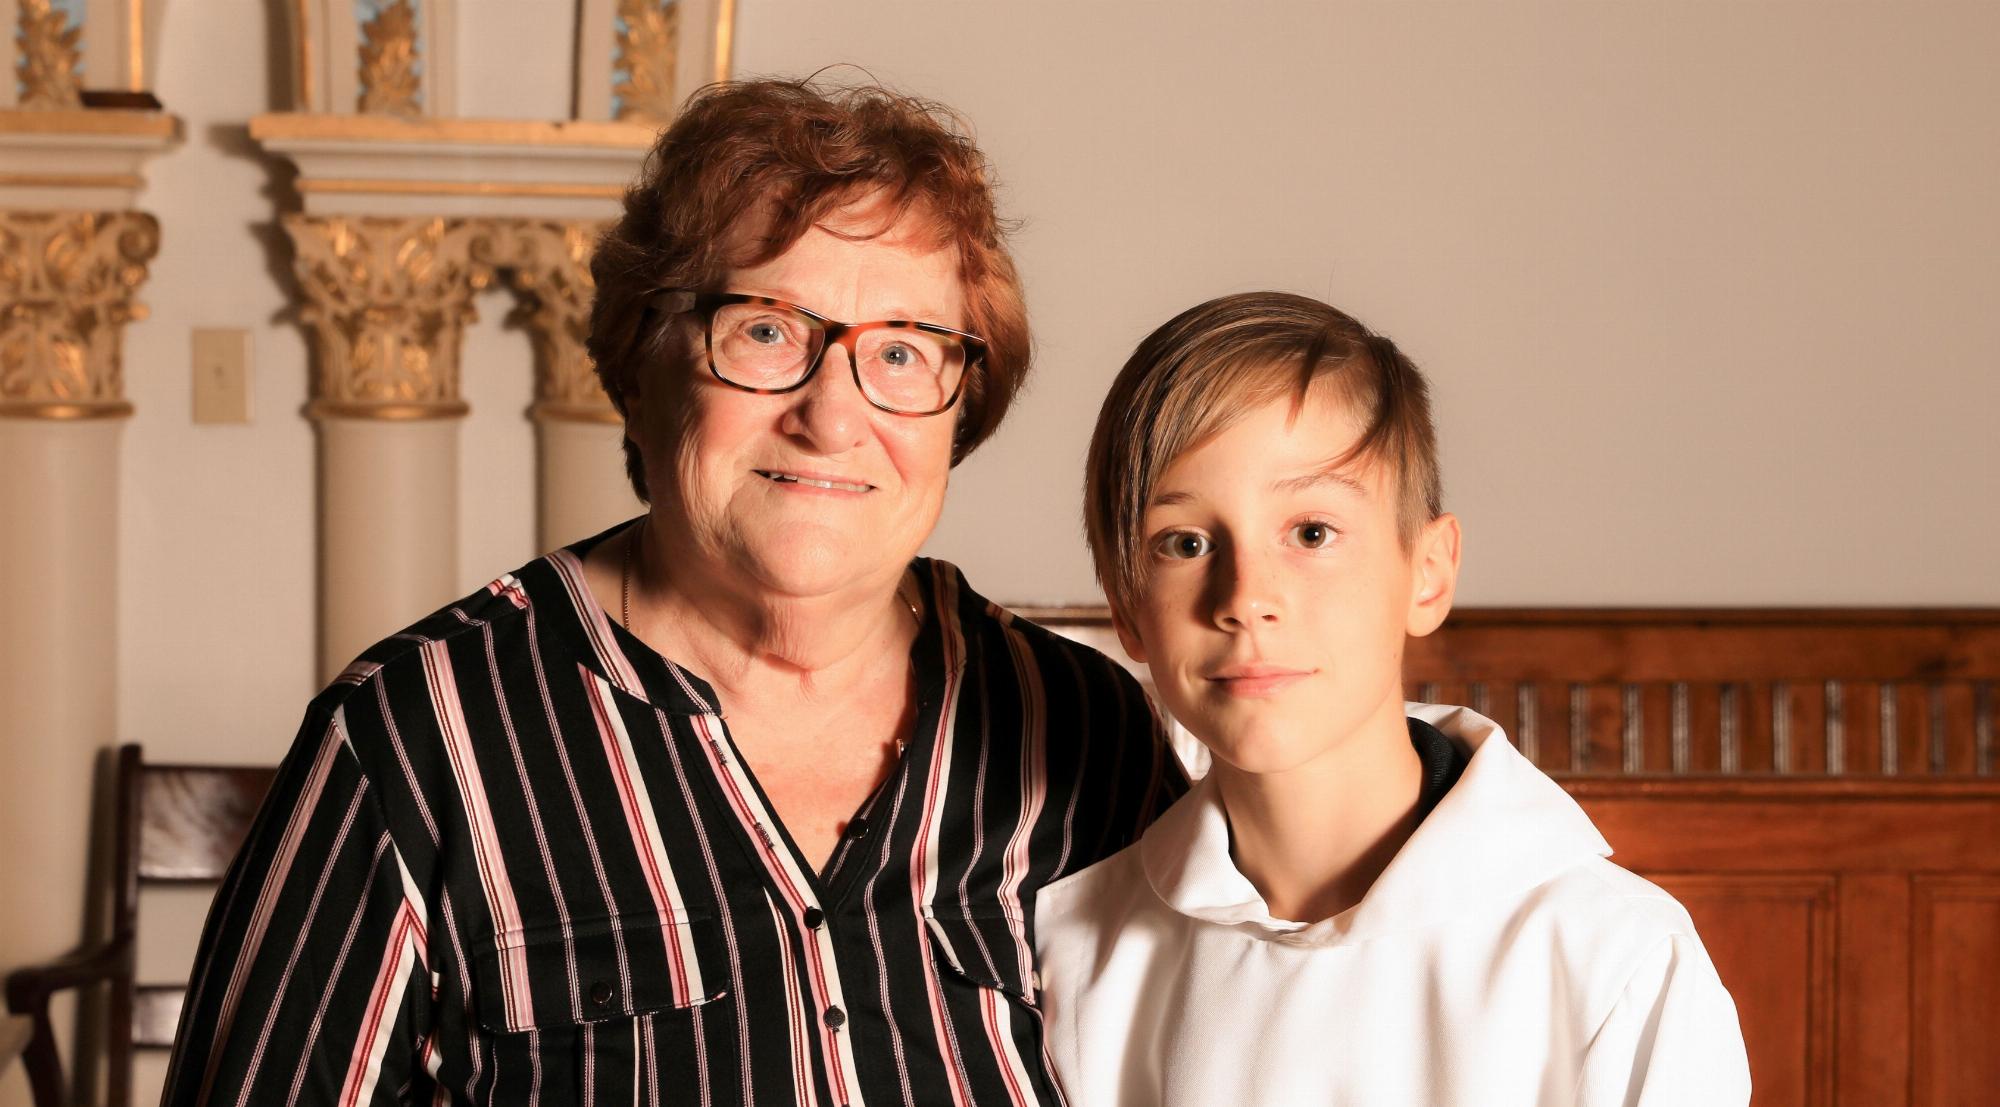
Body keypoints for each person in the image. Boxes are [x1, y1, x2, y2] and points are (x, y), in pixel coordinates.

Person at [163, 78, 1184, 1106]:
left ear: (961, 410)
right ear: (640, 365)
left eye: (901, 350)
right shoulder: (411, 740)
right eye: (766, 331)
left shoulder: (1082, 730)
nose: (832, 417)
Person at [1036, 292, 1750, 1105]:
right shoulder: (1075, 954)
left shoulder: (1613, 963)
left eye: (1311, 532)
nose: (1246, 597)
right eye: (1186, 542)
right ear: (1127, 607)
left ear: (1428, 572)